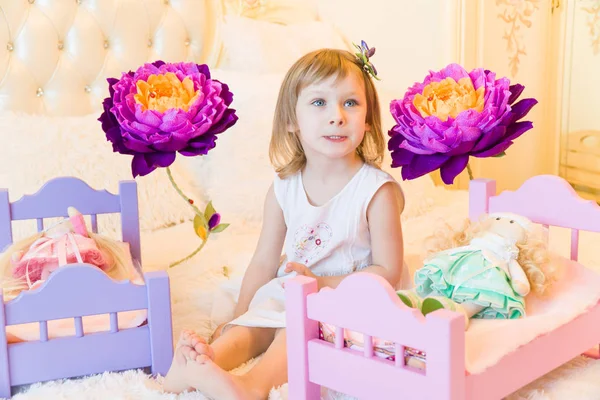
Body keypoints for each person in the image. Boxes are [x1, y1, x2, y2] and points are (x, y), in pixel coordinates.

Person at [163, 44, 406, 399]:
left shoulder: (375, 191)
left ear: (367, 120)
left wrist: (320, 283)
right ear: (292, 120)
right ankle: (206, 362)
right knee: (259, 322)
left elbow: (389, 272)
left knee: (296, 329)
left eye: (350, 103)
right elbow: (263, 261)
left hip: (353, 297)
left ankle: (252, 385)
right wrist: (238, 315)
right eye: (319, 103)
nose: (337, 116)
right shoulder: (284, 188)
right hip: (296, 288)